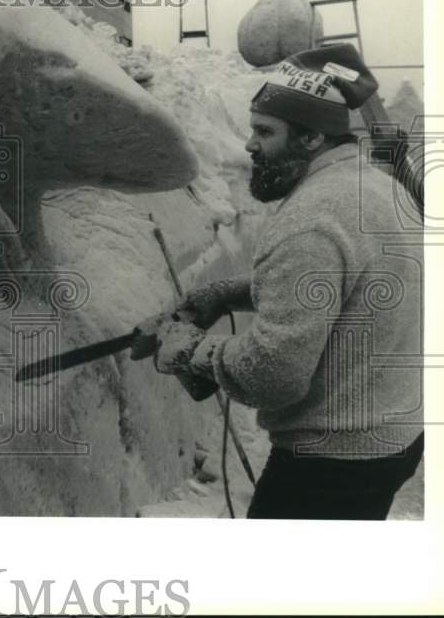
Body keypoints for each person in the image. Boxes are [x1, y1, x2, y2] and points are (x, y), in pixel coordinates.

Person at [154, 43, 424, 519]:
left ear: (312, 137)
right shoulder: (379, 188)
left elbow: (272, 373)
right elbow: (343, 283)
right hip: (392, 438)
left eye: (264, 131)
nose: (248, 145)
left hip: (331, 463)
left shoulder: (310, 219)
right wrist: (228, 293)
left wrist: (191, 350)